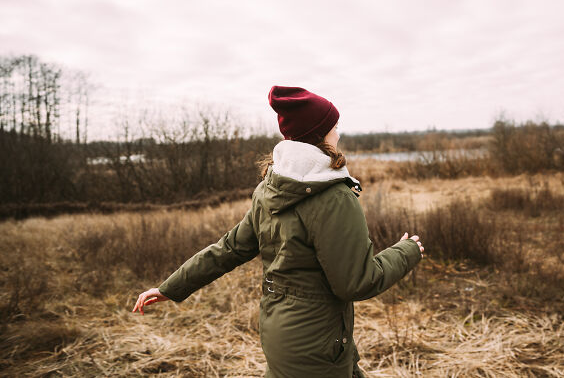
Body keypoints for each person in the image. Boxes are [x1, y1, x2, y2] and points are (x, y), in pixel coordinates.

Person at [132, 86, 425, 377]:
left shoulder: (270, 189)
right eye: (334, 127)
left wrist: (170, 287)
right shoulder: (334, 198)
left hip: (280, 335)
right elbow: (356, 283)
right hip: (318, 347)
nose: (338, 134)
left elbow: (228, 249)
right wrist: (406, 252)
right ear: (319, 136)